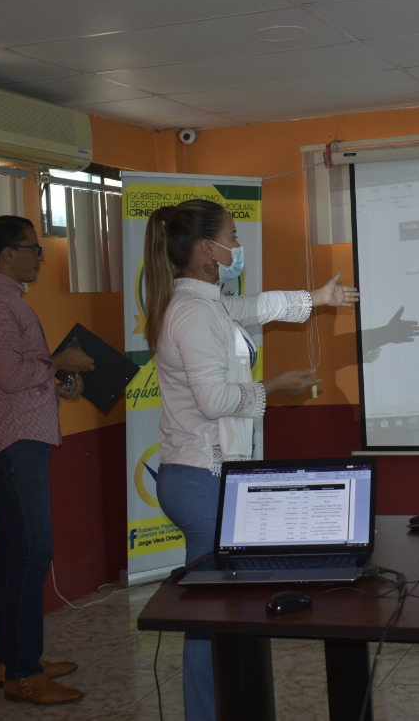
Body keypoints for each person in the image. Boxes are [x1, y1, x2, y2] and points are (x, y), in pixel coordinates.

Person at [142, 199, 358, 720]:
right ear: (206, 248)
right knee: (209, 614)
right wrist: (274, 387)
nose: (237, 247)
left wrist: (319, 298)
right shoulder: (192, 312)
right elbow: (214, 400)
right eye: (232, 238)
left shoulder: (207, 303)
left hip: (208, 473)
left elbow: (257, 307)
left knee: (220, 608)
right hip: (200, 476)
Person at [0, 215, 95, 705]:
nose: (40, 256)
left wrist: (59, 379)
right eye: (33, 248)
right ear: (7, 253)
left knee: (14, 554)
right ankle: (23, 673)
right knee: (30, 553)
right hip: (11, 440)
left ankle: (14, 659)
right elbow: (11, 376)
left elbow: (19, 373)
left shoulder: (6, 299)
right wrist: (59, 363)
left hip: (20, 435)